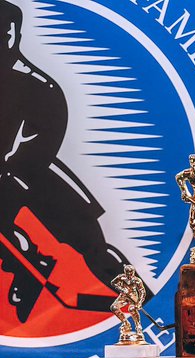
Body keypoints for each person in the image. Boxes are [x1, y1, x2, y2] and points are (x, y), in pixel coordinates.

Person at [0, 0, 132, 323]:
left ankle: (141, 307)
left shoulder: (38, 85)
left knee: (92, 246)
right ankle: (27, 263)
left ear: (12, 34)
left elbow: (40, 140)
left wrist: (11, 172)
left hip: (35, 181)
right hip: (10, 184)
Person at [109, 264, 146, 345]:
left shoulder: (137, 280)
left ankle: (138, 327)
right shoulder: (121, 277)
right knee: (114, 307)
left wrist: (139, 302)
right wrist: (121, 289)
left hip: (133, 297)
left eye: (131, 273)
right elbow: (113, 283)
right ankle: (125, 323)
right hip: (123, 296)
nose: (129, 274)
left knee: (132, 309)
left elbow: (142, 291)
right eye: (127, 273)